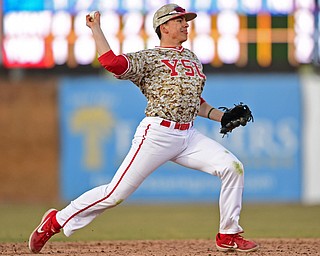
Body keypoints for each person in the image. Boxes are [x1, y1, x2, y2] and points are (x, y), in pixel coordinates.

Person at [28, 3, 259, 253]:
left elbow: (195, 102)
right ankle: (56, 221)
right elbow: (112, 63)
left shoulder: (192, 59)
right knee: (114, 194)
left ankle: (228, 233)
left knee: (232, 167)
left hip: (188, 136)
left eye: (186, 20)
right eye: (179, 20)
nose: (185, 24)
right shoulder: (148, 58)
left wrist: (220, 117)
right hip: (157, 134)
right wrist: (96, 28)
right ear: (164, 26)